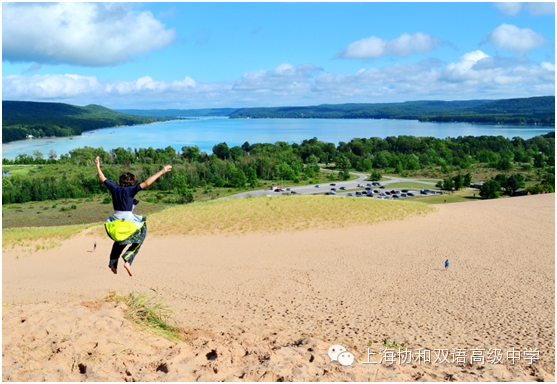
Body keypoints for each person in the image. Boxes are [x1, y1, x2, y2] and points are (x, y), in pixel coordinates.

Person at [95, 156, 172, 276]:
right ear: (132, 183)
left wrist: (97, 166)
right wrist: (162, 171)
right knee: (141, 233)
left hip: (115, 223)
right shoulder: (131, 190)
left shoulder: (114, 188)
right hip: (128, 222)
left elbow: (102, 178)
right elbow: (147, 183)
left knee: (120, 240)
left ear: (121, 181)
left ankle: (113, 263)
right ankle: (128, 259)